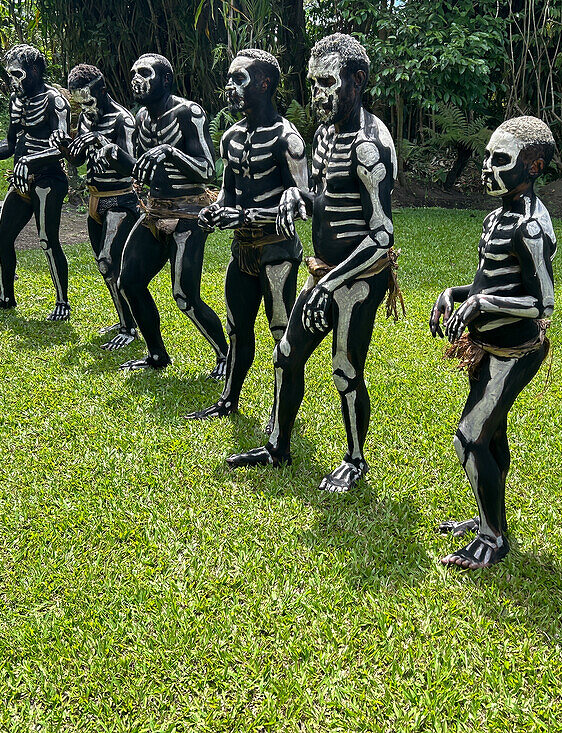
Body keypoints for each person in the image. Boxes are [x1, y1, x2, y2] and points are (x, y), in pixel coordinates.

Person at [226, 33, 402, 493]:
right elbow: (321, 201)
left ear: (356, 81)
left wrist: (329, 285)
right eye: (313, 82)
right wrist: (294, 196)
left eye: (328, 82)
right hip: (326, 270)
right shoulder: (324, 135)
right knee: (287, 355)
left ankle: (356, 461)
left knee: (345, 367)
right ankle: (277, 446)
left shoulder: (369, 145)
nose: (318, 93)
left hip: (360, 277)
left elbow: (381, 237)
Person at [429, 116, 557, 569]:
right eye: (487, 156)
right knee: (490, 430)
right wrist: (458, 295)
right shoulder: (496, 215)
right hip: (488, 347)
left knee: (469, 438)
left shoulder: (530, 227)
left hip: (513, 351)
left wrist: (481, 303)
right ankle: (492, 515)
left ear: (533, 167)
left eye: (500, 160)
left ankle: (492, 537)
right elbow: (491, 281)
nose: (487, 166)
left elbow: (542, 303)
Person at [188, 49, 308, 421]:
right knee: (238, 329)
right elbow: (228, 192)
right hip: (242, 249)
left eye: (238, 80)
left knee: (281, 334)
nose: (229, 88)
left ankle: (279, 411)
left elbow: (303, 204)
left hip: (277, 252)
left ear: (265, 83)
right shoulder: (231, 138)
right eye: (229, 79)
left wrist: (241, 214)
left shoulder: (288, 140)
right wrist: (214, 211)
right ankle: (229, 399)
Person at [117, 53, 228, 377]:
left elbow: (208, 169)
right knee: (130, 282)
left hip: (189, 212)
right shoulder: (140, 118)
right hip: (155, 210)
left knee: (184, 296)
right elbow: (143, 170)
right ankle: (156, 355)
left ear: (165, 80)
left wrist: (170, 151)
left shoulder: (188, 113)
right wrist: (111, 154)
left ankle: (225, 353)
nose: (137, 79)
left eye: (145, 73)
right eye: (135, 72)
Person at [0, 44, 71, 321]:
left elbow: (61, 147)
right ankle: (7, 297)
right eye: (9, 75)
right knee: (1, 236)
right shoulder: (16, 101)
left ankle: (62, 301)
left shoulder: (55, 101)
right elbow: (10, 142)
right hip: (21, 181)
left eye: (17, 74)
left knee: (47, 240)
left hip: (49, 179)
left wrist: (30, 161)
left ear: (34, 71)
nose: (12, 81)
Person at [53, 63, 140, 348]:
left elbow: (133, 167)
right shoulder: (88, 120)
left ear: (102, 90)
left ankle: (130, 329)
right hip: (95, 199)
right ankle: (124, 318)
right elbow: (78, 159)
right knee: (104, 267)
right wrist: (66, 146)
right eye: (78, 102)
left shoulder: (122, 120)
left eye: (88, 100)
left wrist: (103, 141)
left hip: (121, 198)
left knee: (109, 260)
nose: (85, 107)